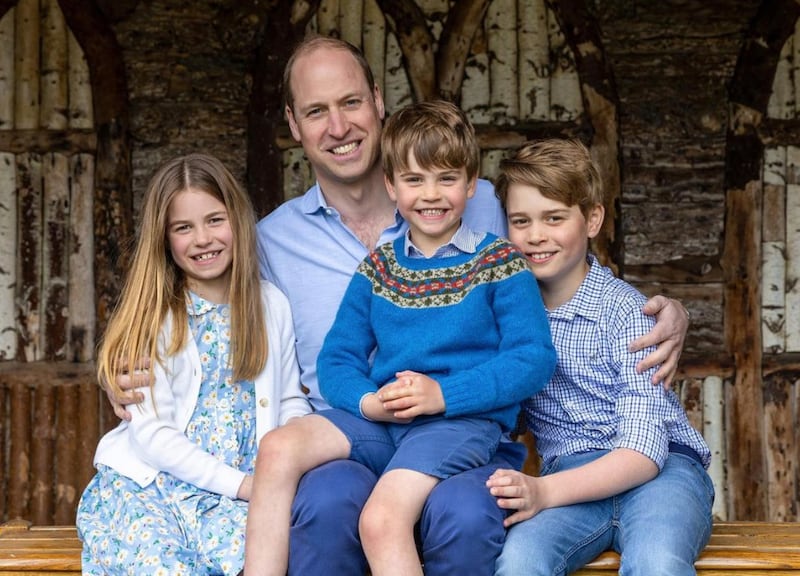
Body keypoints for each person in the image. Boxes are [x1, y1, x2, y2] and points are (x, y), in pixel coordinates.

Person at [108, 36, 691, 575]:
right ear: (293, 124)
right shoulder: (281, 243)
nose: (338, 125)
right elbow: (191, 293)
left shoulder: (492, 221)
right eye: (315, 111)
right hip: (364, 421)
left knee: (458, 514)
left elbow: (558, 258)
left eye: (351, 102)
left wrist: (655, 310)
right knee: (305, 475)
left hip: (459, 425)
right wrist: (122, 364)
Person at [244, 100, 558, 576]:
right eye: (414, 180)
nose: (430, 194)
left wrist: (442, 395)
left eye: (447, 178)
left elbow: (533, 358)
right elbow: (336, 360)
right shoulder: (378, 269)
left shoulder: (498, 262)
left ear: (472, 185)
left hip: (459, 424)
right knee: (278, 448)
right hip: (384, 422)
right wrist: (369, 402)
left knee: (382, 519)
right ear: (391, 186)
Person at [486, 139, 714, 575]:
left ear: (592, 218)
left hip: (662, 475)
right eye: (521, 221)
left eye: (554, 218)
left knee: (657, 561)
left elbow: (644, 452)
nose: (536, 235)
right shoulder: (513, 319)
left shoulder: (628, 314)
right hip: (570, 480)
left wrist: (544, 492)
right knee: (518, 561)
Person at [76, 153, 311, 575]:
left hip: (234, 497)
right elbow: (151, 435)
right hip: (153, 487)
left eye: (214, 220)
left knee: (270, 554)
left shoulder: (269, 305)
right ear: (164, 239)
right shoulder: (156, 315)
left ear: (238, 220)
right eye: (183, 228)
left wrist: (285, 459)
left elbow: (290, 398)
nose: (202, 239)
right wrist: (243, 485)